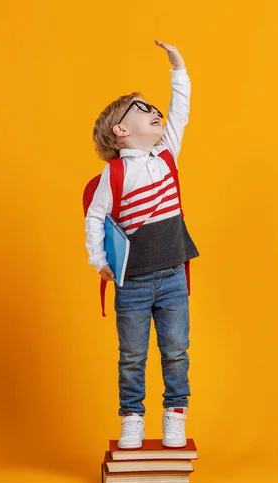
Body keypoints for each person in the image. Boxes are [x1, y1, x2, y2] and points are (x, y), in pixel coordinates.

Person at [85, 40, 199, 449]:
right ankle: (132, 417)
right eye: (144, 109)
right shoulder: (112, 177)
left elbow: (180, 113)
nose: (156, 112)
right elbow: (94, 217)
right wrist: (98, 259)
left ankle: (175, 413)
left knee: (176, 350)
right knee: (132, 355)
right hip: (131, 283)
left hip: (172, 276)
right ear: (121, 131)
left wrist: (178, 69)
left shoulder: (166, 154)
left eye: (155, 109)